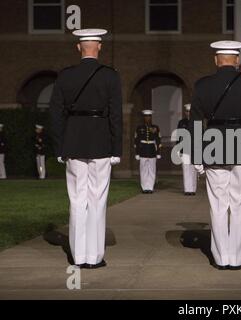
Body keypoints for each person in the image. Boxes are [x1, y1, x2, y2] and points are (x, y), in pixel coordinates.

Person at [191, 40, 241, 270]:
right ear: (237, 61)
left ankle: (221, 257)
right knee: (240, 205)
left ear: (216, 60)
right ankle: (238, 258)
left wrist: (197, 155)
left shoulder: (202, 85)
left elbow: (195, 122)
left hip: (214, 147)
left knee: (217, 204)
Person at [49, 29, 123, 269]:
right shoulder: (110, 76)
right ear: (99, 47)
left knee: (77, 198)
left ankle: (78, 256)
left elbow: (56, 114)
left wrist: (60, 146)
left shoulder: (66, 76)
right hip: (101, 141)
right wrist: (116, 148)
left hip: (73, 141)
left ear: (79, 48)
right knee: (98, 200)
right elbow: (116, 116)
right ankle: (95, 256)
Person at [134, 110, 162, 194]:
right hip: (142, 150)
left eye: (149, 116)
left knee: (152, 170)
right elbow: (136, 140)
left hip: (152, 150)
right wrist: (137, 153)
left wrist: (158, 153)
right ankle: (144, 187)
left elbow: (158, 140)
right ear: (144, 117)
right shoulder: (139, 128)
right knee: (143, 170)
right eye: (146, 116)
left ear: (151, 117)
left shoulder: (155, 127)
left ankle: (150, 187)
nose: (147, 118)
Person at [177, 104, 197, 195]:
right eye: (187, 111)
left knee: (193, 170)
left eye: (190, 111)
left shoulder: (197, 122)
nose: (188, 113)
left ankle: (192, 189)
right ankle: (187, 189)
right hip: (184, 149)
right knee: (186, 170)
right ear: (185, 112)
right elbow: (179, 136)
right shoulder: (181, 122)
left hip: (194, 150)